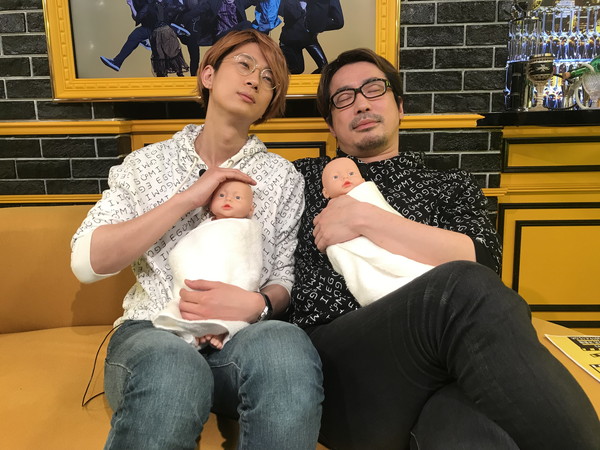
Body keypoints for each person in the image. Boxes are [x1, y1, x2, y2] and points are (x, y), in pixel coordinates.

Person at [290, 48, 600, 450]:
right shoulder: (303, 178)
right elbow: (467, 282)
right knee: (463, 288)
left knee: (473, 433)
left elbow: (483, 260)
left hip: (438, 374)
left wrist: (366, 219)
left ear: (400, 107)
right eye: (344, 97)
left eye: (374, 89)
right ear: (331, 123)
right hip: (343, 372)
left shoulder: (447, 181)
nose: (361, 103)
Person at [72, 29, 323, 449]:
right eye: (244, 65)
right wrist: (189, 197)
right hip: (153, 334)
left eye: (268, 79)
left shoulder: (282, 178)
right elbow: (86, 263)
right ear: (207, 75)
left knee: (286, 346)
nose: (254, 80)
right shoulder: (146, 164)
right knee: (174, 366)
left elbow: (283, 276)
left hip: (239, 339)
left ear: (270, 101)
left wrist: (259, 304)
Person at [153, 180, 262, 350]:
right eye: (221, 195)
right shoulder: (204, 226)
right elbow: (190, 249)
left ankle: (219, 329)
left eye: (237, 197)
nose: (228, 199)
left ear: (250, 209)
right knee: (188, 303)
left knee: (231, 302)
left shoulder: (246, 228)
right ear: (210, 204)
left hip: (230, 286)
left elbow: (249, 260)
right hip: (197, 281)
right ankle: (196, 327)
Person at [320, 157, 433, 307]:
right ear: (326, 192)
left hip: (388, 243)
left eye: (351, 173)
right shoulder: (327, 213)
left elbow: (388, 214)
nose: (345, 178)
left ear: (362, 179)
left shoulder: (366, 193)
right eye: (336, 177)